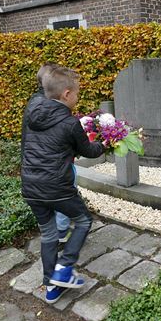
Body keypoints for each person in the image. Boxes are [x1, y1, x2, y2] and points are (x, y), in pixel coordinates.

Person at [21, 66, 105, 304]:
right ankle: (64, 269)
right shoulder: (69, 123)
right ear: (67, 94)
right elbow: (88, 151)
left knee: (48, 234)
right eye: (77, 93)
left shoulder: (32, 111)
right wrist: (105, 142)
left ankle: (51, 286)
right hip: (56, 187)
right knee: (84, 220)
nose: (78, 97)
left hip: (30, 185)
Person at [21, 62, 72, 243]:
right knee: (64, 190)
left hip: (34, 163)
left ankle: (54, 234)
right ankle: (61, 231)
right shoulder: (52, 105)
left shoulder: (34, 103)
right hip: (53, 164)